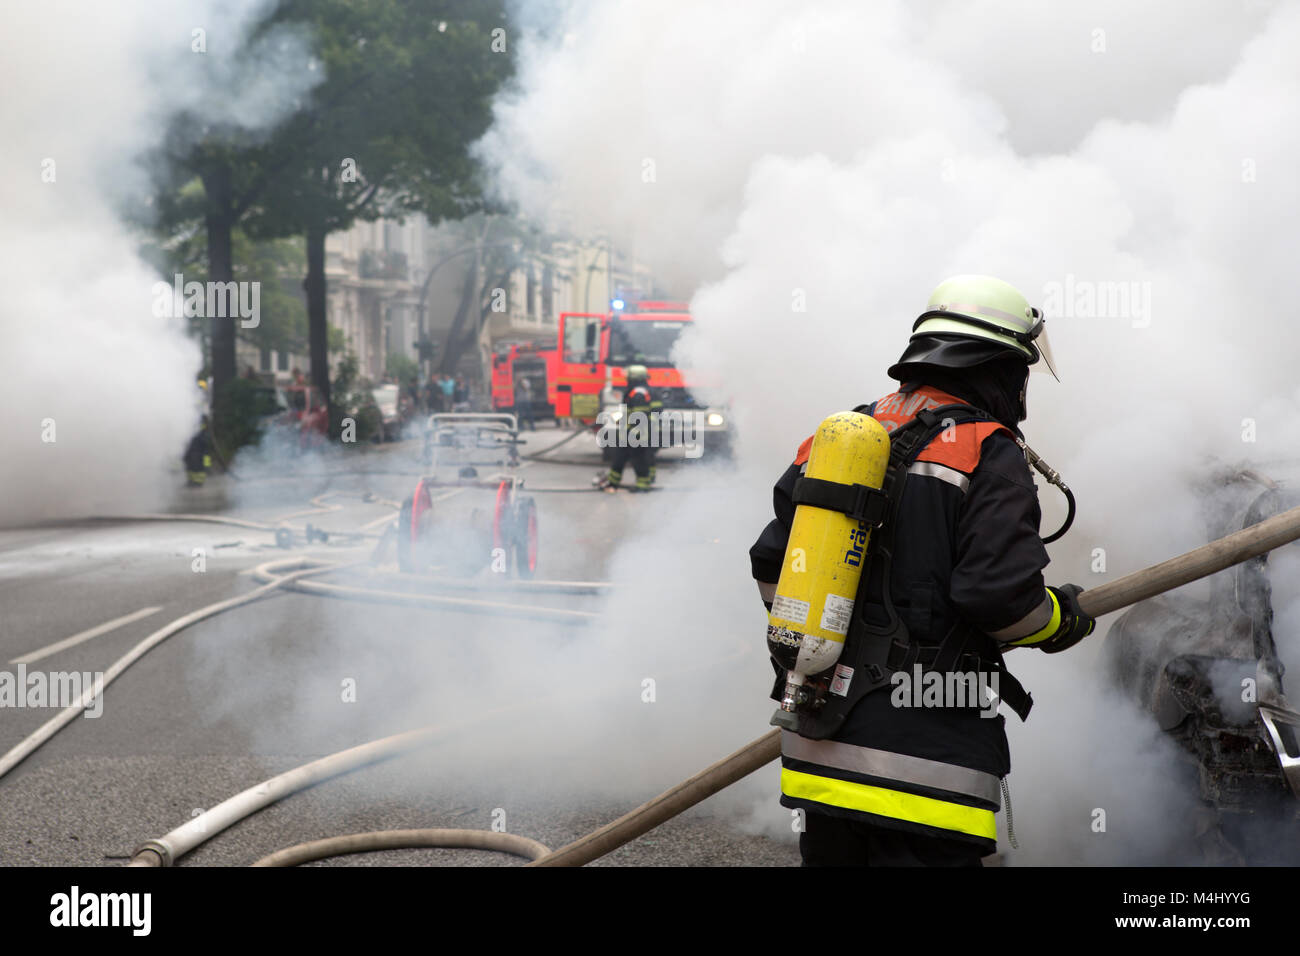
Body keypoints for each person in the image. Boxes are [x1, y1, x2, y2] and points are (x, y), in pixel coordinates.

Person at [749, 275, 1095, 866]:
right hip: (925, 770)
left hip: (819, 757)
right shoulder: (987, 449)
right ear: (998, 365)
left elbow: (771, 570)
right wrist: (1062, 619)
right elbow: (1002, 601)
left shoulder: (840, 438)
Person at [596, 364, 654, 492]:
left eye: (628, 378)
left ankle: (642, 485)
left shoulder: (638, 393)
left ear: (634, 378)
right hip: (628, 434)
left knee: (638, 459)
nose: (626, 380)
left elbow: (640, 416)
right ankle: (613, 483)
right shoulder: (635, 392)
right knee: (619, 458)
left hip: (636, 434)